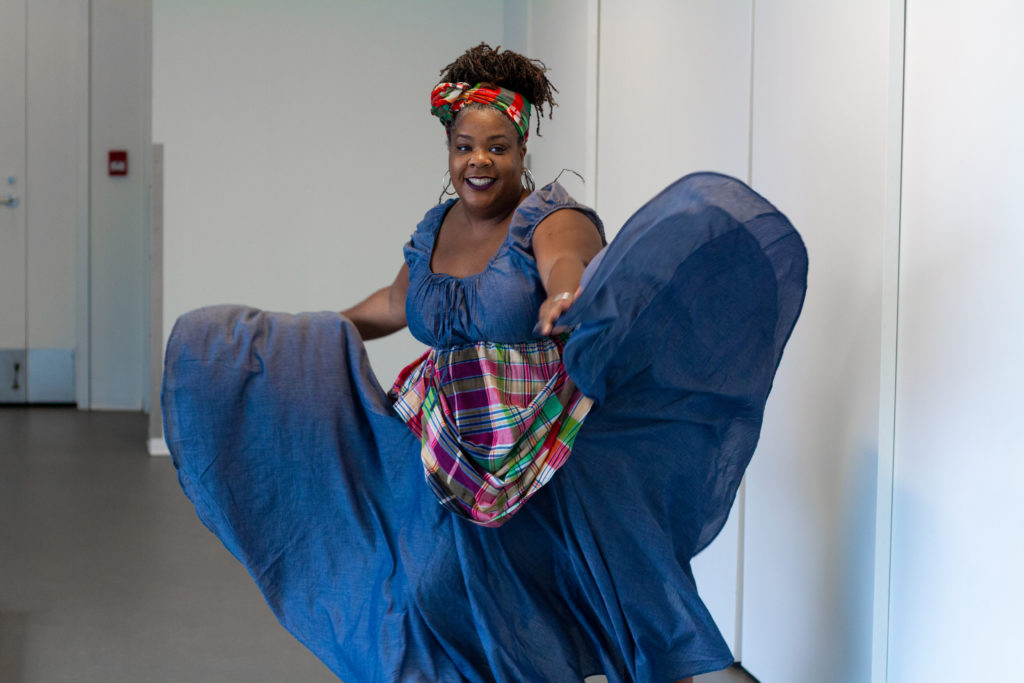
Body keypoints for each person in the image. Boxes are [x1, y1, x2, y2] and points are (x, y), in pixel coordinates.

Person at [162, 43, 807, 683]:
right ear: (449, 150)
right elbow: (398, 299)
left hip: (536, 444)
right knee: (429, 589)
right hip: (446, 439)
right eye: (465, 145)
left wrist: (562, 294)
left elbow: (568, 263)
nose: (479, 160)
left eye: (497, 147)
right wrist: (322, 332)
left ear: (523, 150)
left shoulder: (549, 218)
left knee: (575, 597)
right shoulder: (436, 227)